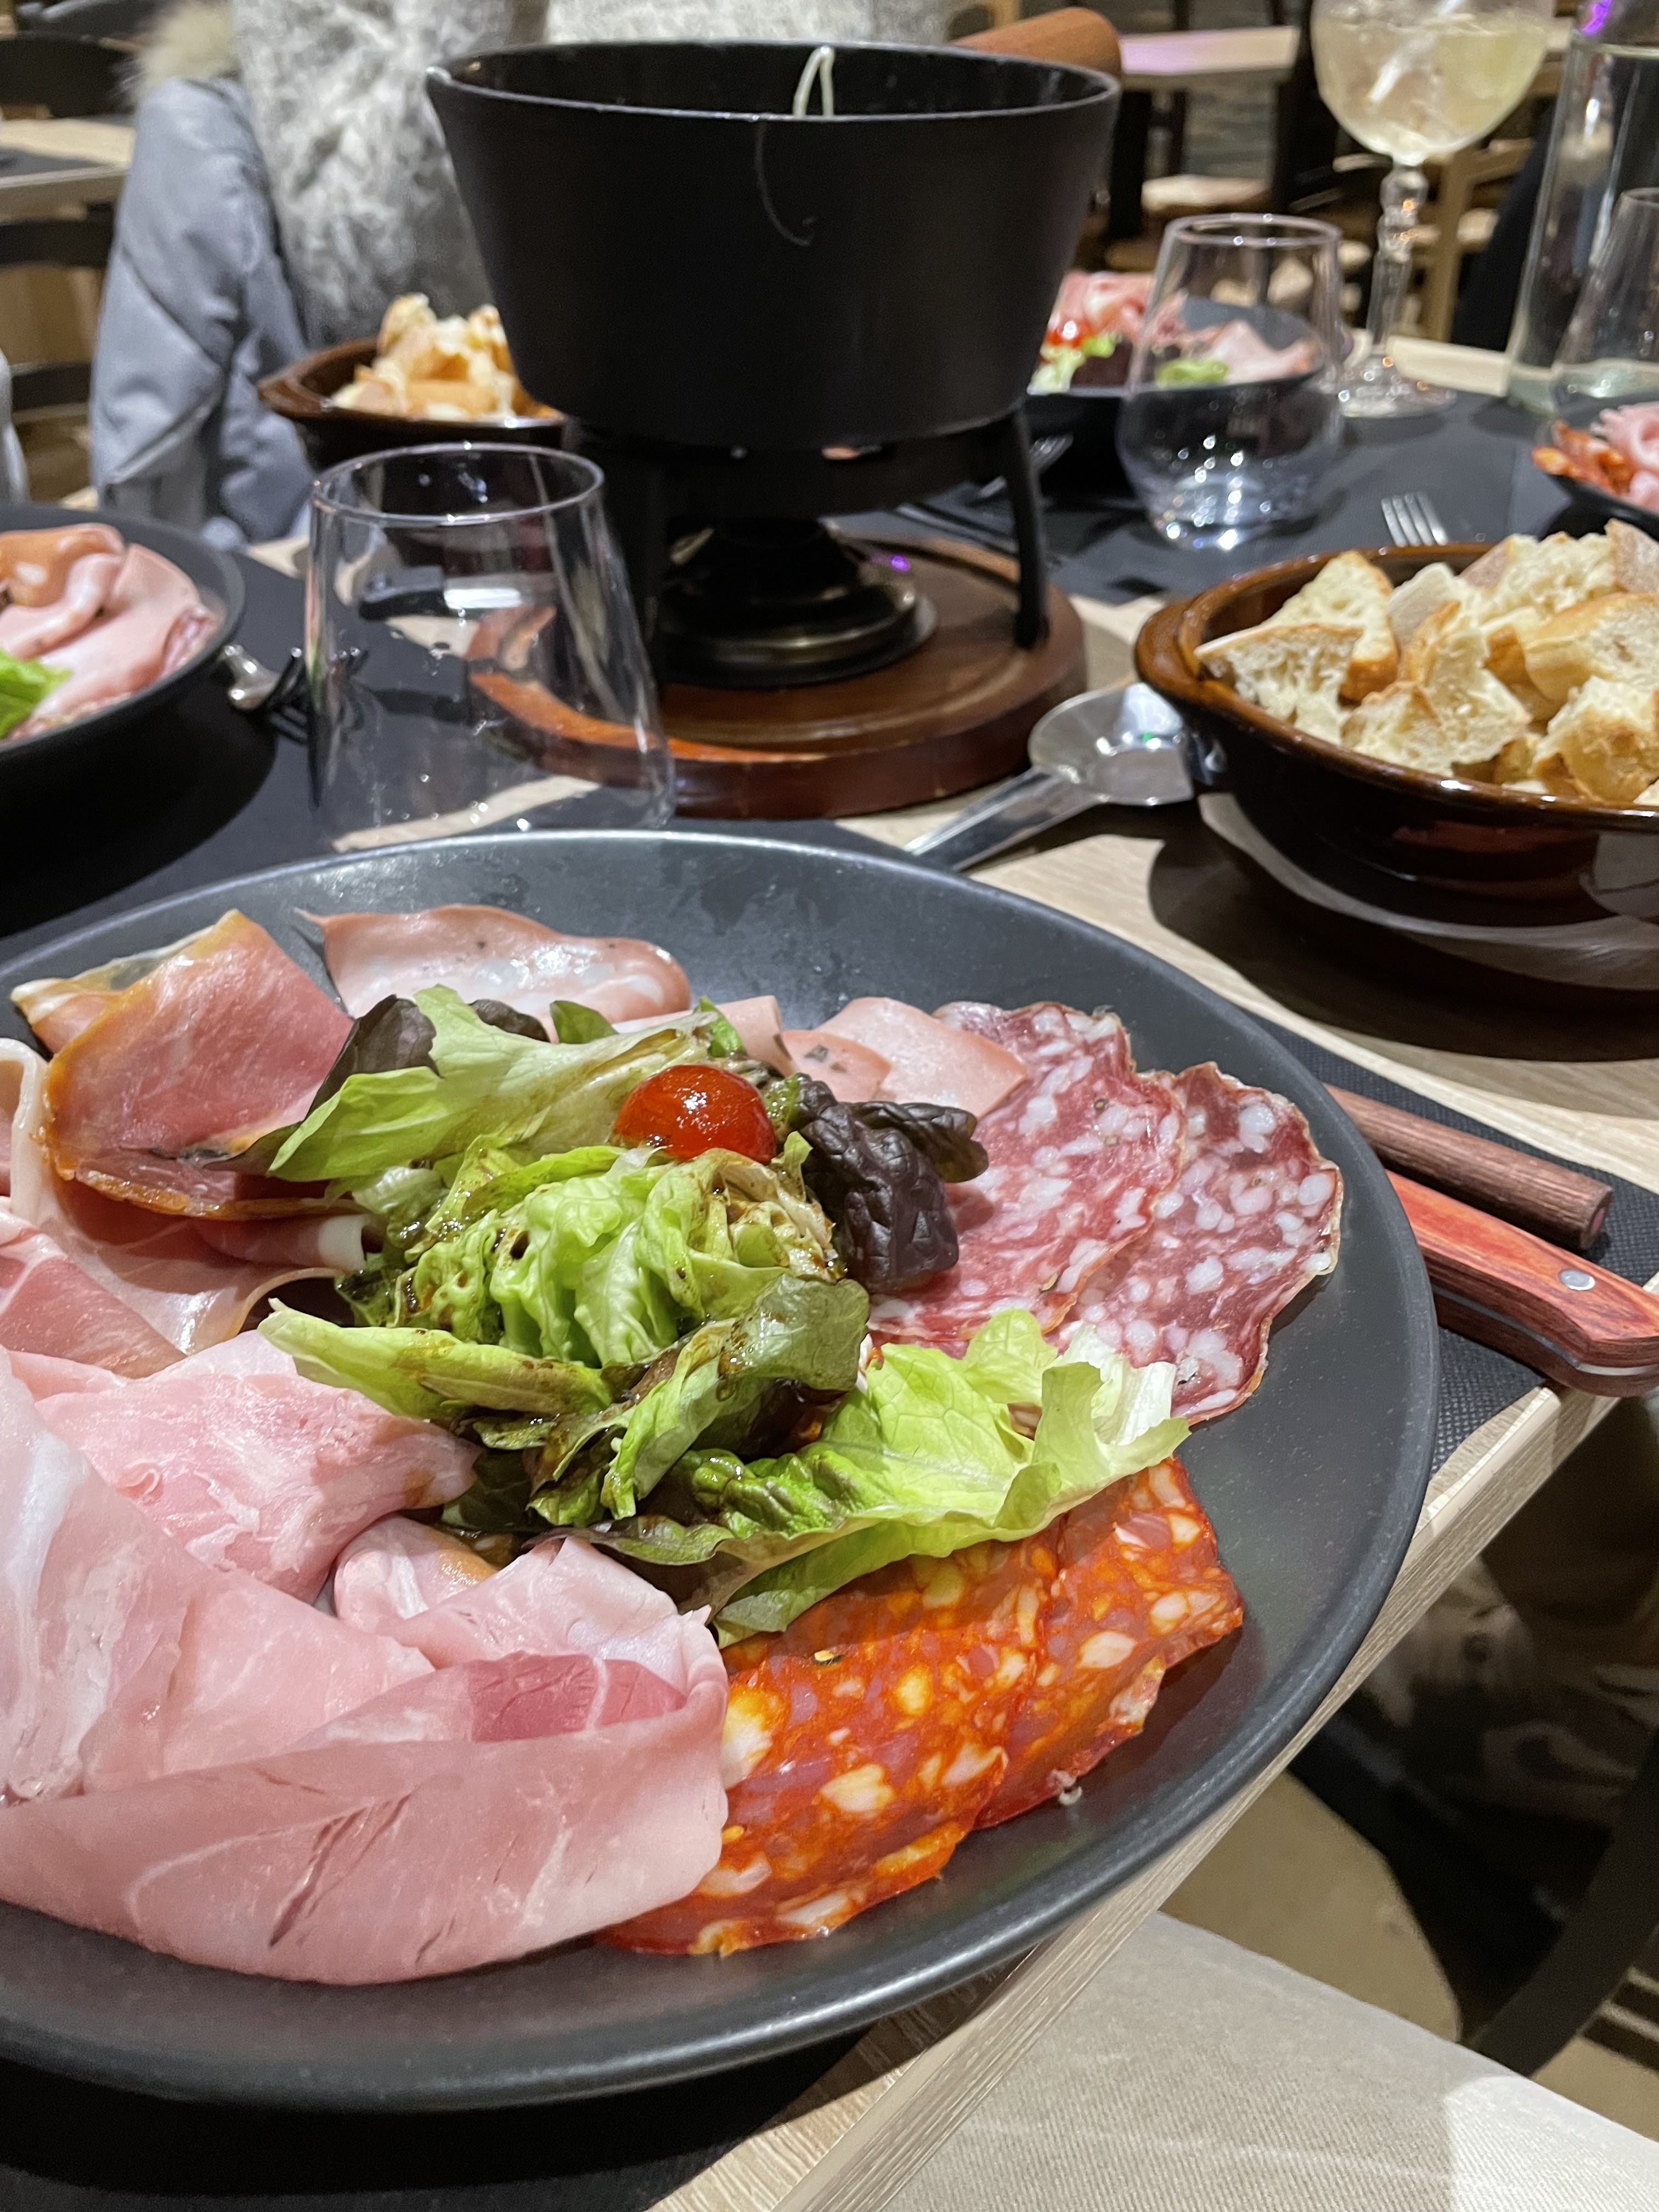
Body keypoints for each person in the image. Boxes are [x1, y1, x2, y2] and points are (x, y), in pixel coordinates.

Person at [89, 1, 312, 544]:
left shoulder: (200, 119)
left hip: (278, 553)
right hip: (495, 532)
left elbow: (146, 427)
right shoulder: (497, 92)